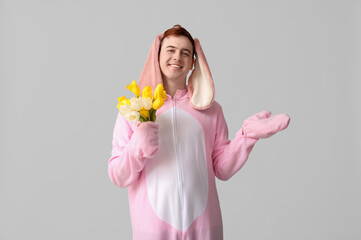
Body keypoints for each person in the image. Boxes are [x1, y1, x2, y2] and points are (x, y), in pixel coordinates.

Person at [108, 25, 290, 240]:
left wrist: (247, 135)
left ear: (194, 62)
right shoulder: (134, 110)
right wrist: (136, 147)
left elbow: (223, 168)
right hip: (153, 231)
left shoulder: (210, 110)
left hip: (204, 229)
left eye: (186, 52)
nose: (177, 57)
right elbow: (118, 176)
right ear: (157, 55)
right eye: (171, 50)